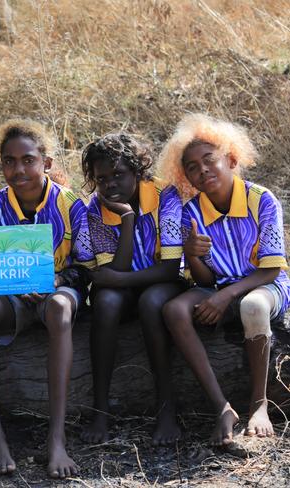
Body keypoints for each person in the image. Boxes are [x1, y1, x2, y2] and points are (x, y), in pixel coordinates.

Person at [0, 119, 95, 479]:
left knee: (57, 306)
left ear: (47, 163)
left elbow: (86, 268)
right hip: (12, 298)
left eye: (28, 160)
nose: (18, 169)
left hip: (59, 293)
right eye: (9, 161)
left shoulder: (72, 205)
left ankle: (56, 439)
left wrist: (56, 278)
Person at [158, 113, 290, 445]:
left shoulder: (261, 200)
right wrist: (193, 255)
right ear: (185, 175)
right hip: (217, 285)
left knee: (254, 306)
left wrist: (225, 296)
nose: (201, 169)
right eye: (191, 166)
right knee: (174, 310)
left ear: (231, 159)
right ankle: (222, 407)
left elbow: (271, 268)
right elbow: (203, 277)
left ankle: (259, 404)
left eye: (209, 159)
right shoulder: (191, 213)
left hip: (263, 285)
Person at [79, 134, 185, 445]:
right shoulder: (97, 209)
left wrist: (117, 280)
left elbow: (169, 267)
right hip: (123, 289)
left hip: (162, 284)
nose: (110, 183)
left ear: (138, 171)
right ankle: (101, 410)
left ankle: (166, 409)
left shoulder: (165, 195)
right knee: (107, 302)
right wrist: (127, 218)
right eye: (102, 178)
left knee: (152, 302)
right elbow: (115, 270)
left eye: (118, 175)